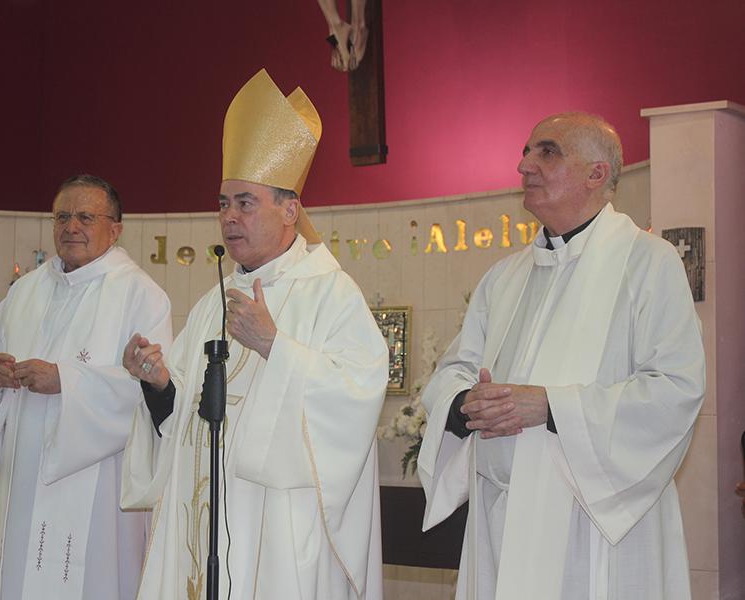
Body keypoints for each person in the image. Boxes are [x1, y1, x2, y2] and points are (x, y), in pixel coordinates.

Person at [120, 69, 389, 600]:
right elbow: (184, 421)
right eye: (222, 203)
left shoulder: (330, 293)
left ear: (291, 211)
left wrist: (274, 345)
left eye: (245, 202)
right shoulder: (208, 307)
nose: (228, 218)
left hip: (279, 525)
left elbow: (358, 394)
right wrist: (158, 386)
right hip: (203, 521)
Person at [417, 113, 705, 600]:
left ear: (597, 173)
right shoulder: (505, 276)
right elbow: (454, 370)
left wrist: (550, 406)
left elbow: (675, 389)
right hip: (502, 520)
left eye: (547, 152)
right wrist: (468, 402)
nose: (524, 165)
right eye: (527, 151)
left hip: (593, 524)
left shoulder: (649, 262)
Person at [0, 174, 172, 600]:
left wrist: (65, 381)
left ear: (116, 228)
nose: (71, 227)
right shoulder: (25, 292)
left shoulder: (141, 295)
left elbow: (150, 392)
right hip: (21, 484)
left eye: (86, 216)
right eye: (63, 216)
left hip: (97, 491)